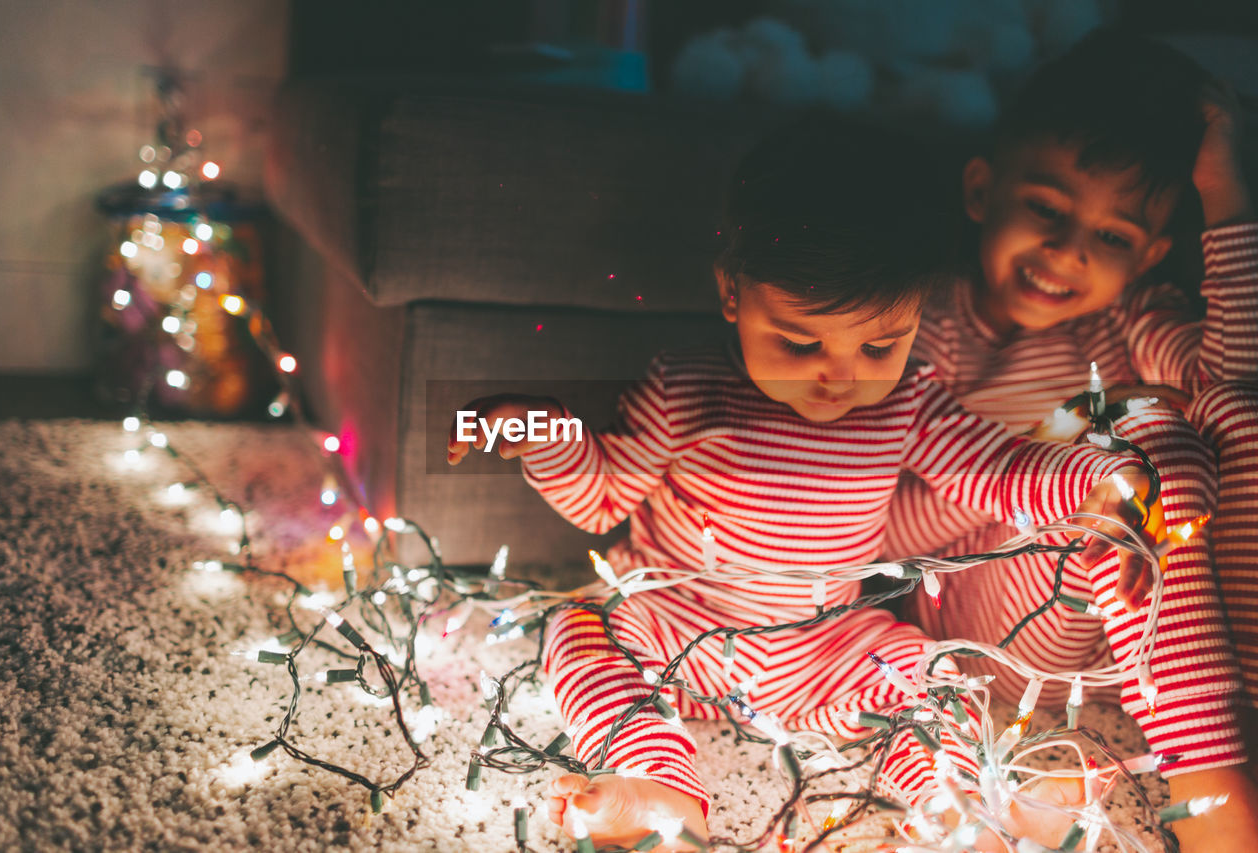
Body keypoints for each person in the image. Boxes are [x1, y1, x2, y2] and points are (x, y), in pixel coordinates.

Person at [449, 127, 1155, 851]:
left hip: (823, 648)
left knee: (924, 671)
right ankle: (658, 782)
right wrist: (539, 431)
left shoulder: (906, 400)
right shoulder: (688, 387)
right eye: (801, 342)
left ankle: (965, 801)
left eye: (879, 346)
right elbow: (599, 496)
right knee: (577, 627)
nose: (840, 376)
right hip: (677, 627)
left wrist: (1098, 473)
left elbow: (996, 466)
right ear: (732, 291)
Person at [882, 28, 1258, 853]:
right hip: (982, 632)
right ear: (982, 189)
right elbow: (883, 536)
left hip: (1125, 643)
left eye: (1114, 236)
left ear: (1152, 253)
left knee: (1214, 427)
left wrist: (1228, 198)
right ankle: (1221, 817)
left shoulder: (1129, 318)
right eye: (1047, 209)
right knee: (1131, 455)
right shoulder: (924, 327)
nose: (1068, 250)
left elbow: (1236, 381)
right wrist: (1060, 454)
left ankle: (1229, 745)